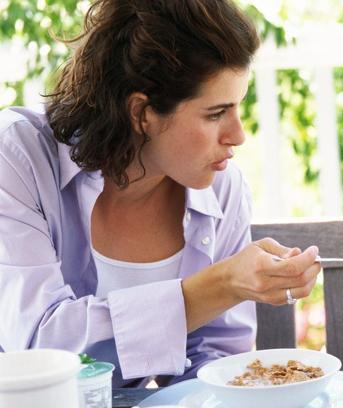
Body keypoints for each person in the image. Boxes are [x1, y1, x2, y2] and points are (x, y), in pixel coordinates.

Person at [0, 0, 321, 387]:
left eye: (238, 107)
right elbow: (36, 347)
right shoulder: (17, 158)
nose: (238, 135)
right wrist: (218, 286)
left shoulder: (222, 188)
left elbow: (212, 365)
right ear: (142, 113)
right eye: (216, 114)